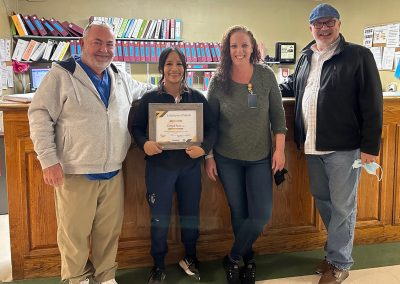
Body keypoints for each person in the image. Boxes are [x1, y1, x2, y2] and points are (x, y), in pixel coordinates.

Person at [28, 21, 152, 284]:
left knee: (108, 233)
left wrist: (182, 90)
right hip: (75, 171)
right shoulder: (61, 74)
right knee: (74, 234)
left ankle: (106, 277)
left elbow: (146, 91)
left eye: (109, 44)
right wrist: (48, 160)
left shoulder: (118, 75)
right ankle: (77, 278)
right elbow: (39, 115)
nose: (104, 49)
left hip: (113, 171)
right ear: (82, 43)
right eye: (97, 42)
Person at [280, 3, 383, 284]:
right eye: (318, 24)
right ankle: (336, 251)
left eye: (329, 23)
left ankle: (339, 262)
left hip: (345, 148)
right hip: (312, 147)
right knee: (325, 201)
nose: (324, 28)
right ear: (310, 27)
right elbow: (295, 89)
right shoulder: (305, 57)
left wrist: (371, 148)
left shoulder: (358, 56)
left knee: (343, 207)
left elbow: (373, 104)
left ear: (339, 24)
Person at [205, 25, 287, 284]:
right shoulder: (218, 80)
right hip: (227, 158)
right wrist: (208, 157)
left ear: (252, 48)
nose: (238, 50)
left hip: (260, 158)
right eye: (233, 46)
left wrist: (280, 150)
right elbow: (210, 122)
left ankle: (231, 258)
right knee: (238, 212)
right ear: (226, 50)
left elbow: (278, 115)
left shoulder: (265, 75)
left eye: (244, 45)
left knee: (261, 214)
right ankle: (247, 261)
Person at [129, 47, 217, 284]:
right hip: (159, 169)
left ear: (185, 68)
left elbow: (212, 128)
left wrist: (204, 148)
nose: (174, 68)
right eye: (169, 64)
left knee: (190, 214)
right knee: (159, 218)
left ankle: (190, 257)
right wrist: (144, 143)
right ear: (161, 68)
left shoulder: (197, 98)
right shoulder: (149, 98)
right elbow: (135, 127)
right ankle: (158, 264)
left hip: (189, 169)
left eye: (179, 64)